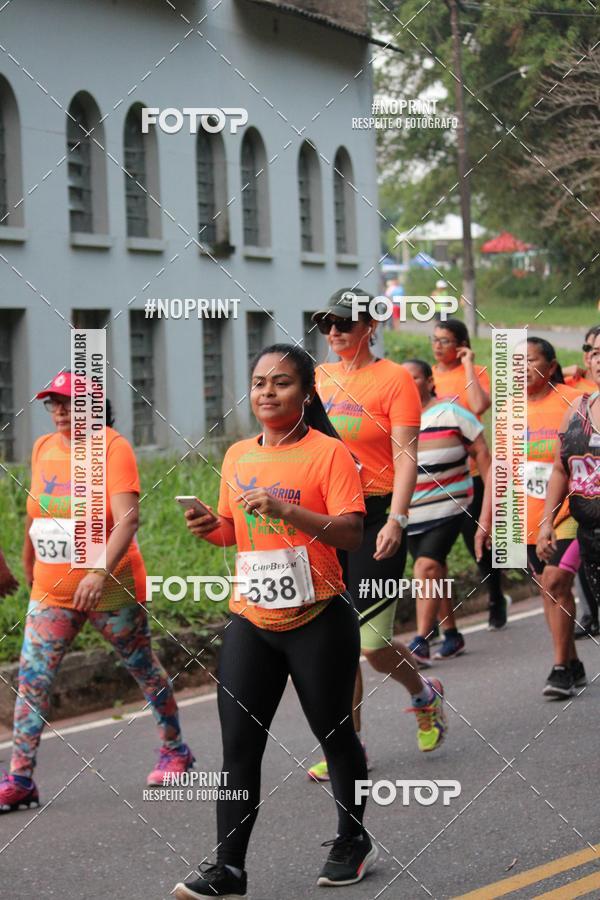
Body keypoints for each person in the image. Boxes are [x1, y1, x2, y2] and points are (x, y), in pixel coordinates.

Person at [173, 344, 377, 899]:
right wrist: (210, 526)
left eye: (281, 382)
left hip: (319, 617)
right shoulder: (238, 455)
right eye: (260, 382)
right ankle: (229, 868)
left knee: (335, 734)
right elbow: (234, 532)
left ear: (306, 393)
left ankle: (352, 840)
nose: (267, 392)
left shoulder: (329, 454)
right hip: (252, 618)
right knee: (239, 748)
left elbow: (351, 533)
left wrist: (287, 509)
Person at [0, 371, 193, 814]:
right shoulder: (43, 447)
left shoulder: (112, 447)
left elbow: (128, 519)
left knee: (142, 666)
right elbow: (37, 513)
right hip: (52, 589)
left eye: (69, 403)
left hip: (111, 587)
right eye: (53, 404)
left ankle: (175, 749)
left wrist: (96, 573)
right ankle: (20, 778)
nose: (59, 412)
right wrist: (28, 563)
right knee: (32, 678)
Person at [306, 289, 446, 787]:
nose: (334, 332)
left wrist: (398, 519)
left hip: (377, 520)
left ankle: (423, 691)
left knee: (371, 644)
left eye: (345, 323)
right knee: (337, 644)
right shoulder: (318, 378)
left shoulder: (394, 379)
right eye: (327, 323)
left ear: (370, 326)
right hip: (327, 520)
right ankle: (350, 748)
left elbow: (406, 455)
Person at [476, 340, 584, 698]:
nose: (521, 368)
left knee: (555, 580)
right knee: (548, 589)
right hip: (527, 516)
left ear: (551, 366)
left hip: (571, 511)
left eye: (530, 361)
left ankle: (559, 669)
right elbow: (498, 470)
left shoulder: (575, 403)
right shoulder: (508, 411)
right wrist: (487, 519)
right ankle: (572, 661)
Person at [403, 360, 491, 666]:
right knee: (435, 569)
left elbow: (483, 455)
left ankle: (421, 641)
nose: (407, 383)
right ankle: (452, 634)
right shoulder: (394, 419)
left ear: (429, 381)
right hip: (411, 511)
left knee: (426, 566)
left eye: (414, 377)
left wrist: (492, 507)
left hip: (451, 504)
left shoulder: (452, 412)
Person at [431, 318, 511, 634]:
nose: (438, 346)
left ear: (461, 345)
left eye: (445, 340)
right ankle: (433, 620)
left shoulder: (474, 373)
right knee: (432, 552)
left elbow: (479, 404)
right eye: (435, 340)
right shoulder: (427, 377)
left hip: (471, 473)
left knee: (478, 542)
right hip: (437, 478)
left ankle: (495, 597)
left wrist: (467, 365)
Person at [537, 327, 600, 692]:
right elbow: (561, 470)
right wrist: (547, 522)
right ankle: (568, 664)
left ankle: (565, 666)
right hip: (589, 534)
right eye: (594, 352)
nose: (598, 359)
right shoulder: (577, 410)